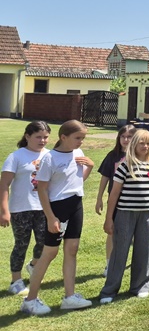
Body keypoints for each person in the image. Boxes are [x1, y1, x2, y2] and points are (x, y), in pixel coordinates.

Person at [21, 120, 94, 316]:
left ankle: (69, 297)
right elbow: (42, 189)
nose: (81, 142)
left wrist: (90, 167)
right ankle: (30, 300)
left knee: (72, 249)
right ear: (63, 137)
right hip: (57, 208)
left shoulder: (78, 153)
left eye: (83, 138)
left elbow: (76, 181)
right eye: (78, 138)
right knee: (49, 253)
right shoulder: (49, 158)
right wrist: (51, 217)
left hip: (76, 205)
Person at [99, 129, 149, 304]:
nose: (145, 146)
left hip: (146, 214)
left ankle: (140, 286)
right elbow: (114, 193)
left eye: (148, 143)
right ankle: (109, 290)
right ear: (134, 144)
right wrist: (109, 218)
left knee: (144, 250)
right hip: (125, 214)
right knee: (119, 251)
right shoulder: (125, 165)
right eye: (141, 143)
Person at [1, 121, 51, 297]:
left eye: (45, 137)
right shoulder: (16, 157)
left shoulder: (50, 155)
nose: (42, 141)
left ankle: (33, 265)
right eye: (38, 137)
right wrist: (4, 210)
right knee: (21, 244)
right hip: (21, 208)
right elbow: (4, 184)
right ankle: (16, 281)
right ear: (27, 136)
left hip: (43, 208)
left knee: (44, 242)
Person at [95, 124, 135, 276]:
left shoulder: (139, 155)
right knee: (112, 231)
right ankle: (109, 264)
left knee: (132, 233)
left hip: (133, 200)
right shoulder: (112, 156)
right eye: (122, 137)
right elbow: (105, 177)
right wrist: (99, 198)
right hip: (115, 200)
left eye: (129, 137)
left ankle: (129, 262)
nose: (125, 140)